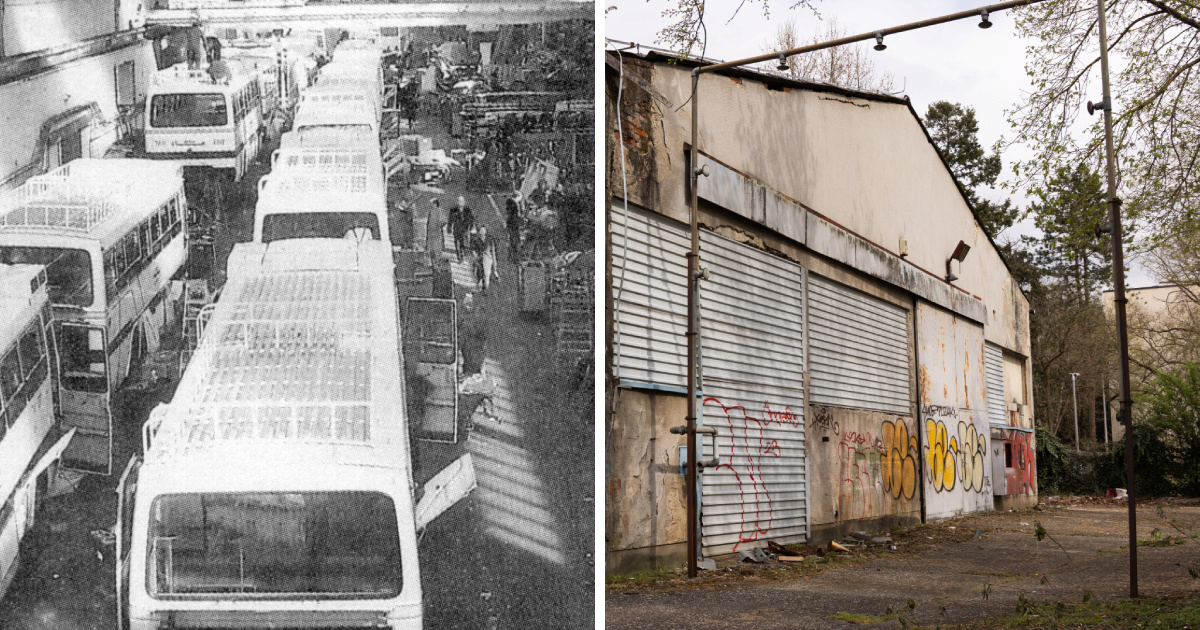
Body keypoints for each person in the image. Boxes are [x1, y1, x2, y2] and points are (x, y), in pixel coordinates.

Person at [449, 196, 474, 262]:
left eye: (461, 201)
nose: (460, 203)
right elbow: (450, 220)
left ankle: (462, 254)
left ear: (464, 202)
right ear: (457, 202)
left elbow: (471, 219)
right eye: (459, 201)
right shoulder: (453, 210)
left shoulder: (468, 210)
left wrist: (471, 227)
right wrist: (449, 228)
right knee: (457, 244)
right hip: (456, 230)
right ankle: (459, 257)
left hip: (464, 230)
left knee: (462, 244)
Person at [506, 191, 523, 261]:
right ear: (517, 196)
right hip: (514, 224)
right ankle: (515, 257)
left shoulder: (509, 202)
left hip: (510, 223)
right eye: (520, 197)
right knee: (516, 241)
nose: (521, 198)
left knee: (511, 240)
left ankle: (510, 256)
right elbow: (517, 216)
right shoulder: (515, 204)